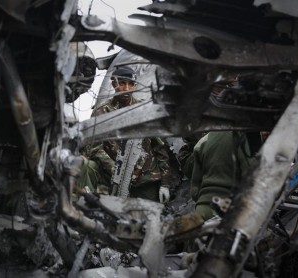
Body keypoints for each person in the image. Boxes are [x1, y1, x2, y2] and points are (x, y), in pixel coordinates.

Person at [78, 65, 171, 203]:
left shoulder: (144, 111)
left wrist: (165, 184)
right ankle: (84, 204)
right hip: (111, 175)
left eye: (131, 84)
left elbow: (161, 148)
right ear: (114, 84)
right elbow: (94, 147)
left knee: (149, 216)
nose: (126, 89)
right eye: (122, 83)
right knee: (88, 166)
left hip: (144, 178)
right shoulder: (102, 112)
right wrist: (115, 169)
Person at [190, 131, 258, 221]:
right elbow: (251, 174)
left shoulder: (202, 142)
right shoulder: (240, 136)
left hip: (202, 209)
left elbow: (195, 188)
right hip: (229, 207)